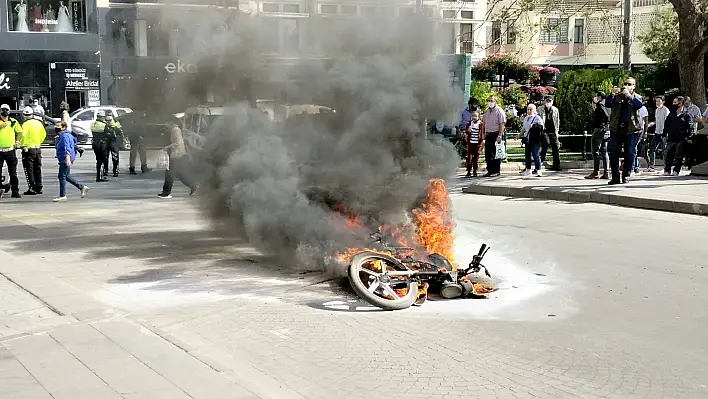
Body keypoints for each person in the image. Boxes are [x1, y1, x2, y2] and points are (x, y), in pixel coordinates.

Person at [605, 77, 644, 185]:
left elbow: (639, 105)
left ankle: (626, 175)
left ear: (634, 86)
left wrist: (629, 96)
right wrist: (612, 94)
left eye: (629, 84)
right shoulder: (617, 96)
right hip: (616, 128)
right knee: (613, 152)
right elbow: (608, 104)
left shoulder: (637, 97)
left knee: (630, 153)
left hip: (631, 129)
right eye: (625, 84)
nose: (626, 86)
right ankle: (615, 177)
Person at [158, 119, 197, 199]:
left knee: (169, 173)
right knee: (180, 174)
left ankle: (166, 193)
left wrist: (167, 147)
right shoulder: (174, 129)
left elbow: (178, 142)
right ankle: (194, 186)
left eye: (166, 122)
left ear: (171, 122)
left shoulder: (175, 130)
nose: (165, 124)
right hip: (178, 154)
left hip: (177, 154)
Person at [53, 121, 88, 202]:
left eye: (59, 127)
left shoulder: (65, 136)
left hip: (65, 158)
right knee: (66, 176)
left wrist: (67, 159)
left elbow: (67, 148)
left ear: (64, 127)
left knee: (61, 176)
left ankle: (62, 195)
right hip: (64, 158)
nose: (57, 128)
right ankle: (81, 187)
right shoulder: (63, 135)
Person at [663, 96, 692, 176]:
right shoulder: (671, 115)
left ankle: (676, 170)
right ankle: (667, 170)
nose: (673, 104)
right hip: (671, 138)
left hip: (681, 139)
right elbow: (666, 125)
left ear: (680, 103)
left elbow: (690, 127)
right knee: (668, 155)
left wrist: (688, 137)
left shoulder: (686, 115)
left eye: (675, 102)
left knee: (679, 156)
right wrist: (664, 135)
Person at [20, 106, 46, 195]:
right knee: (37, 168)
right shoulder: (38, 123)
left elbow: (23, 135)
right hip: (37, 148)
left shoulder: (25, 124)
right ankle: (39, 187)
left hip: (28, 149)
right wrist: (39, 142)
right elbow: (43, 134)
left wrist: (22, 145)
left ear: (24, 115)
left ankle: (32, 187)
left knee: (29, 169)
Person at [0, 104, 23, 198]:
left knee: (13, 172)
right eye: (3, 110)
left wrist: (17, 141)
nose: (5, 111)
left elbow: (20, 132)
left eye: (6, 110)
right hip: (0, 151)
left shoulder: (13, 122)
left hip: (10, 150)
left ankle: (15, 191)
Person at [586, 91, 611, 179]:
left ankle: (596, 171)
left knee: (595, 151)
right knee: (604, 151)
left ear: (599, 97)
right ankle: (606, 172)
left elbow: (605, 116)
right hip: (607, 131)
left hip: (599, 130)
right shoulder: (608, 105)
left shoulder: (601, 105)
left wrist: (604, 124)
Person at [482, 95, 506, 177]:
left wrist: (499, 135)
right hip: (488, 134)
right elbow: (484, 123)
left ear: (495, 101)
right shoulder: (486, 112)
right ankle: (490, 170)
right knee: (488, 154)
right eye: (489, 100)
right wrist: (483, 133)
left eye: (491, 100)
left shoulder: (499, 111)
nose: (490, 102)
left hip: (496, 134)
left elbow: (502, 124)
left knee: (496, 153)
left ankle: (496, 170)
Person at [537, 95, 561, 172]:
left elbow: (557, 121)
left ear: (552, 102)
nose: (548, 102)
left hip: (553, 131)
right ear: (544, 101)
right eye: (547, 101)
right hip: (544, 130)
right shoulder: (540, 109)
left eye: (550, 101)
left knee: (556, 147)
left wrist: (557, 131)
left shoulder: (555, 110)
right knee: (546, 143)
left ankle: (556, 165)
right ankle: (540, 161)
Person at [520, 103, 544, 177]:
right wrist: (520, 135)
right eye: (528, 109)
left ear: (534, 110)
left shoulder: (537, 118)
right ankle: (528, 169)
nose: (529, 111)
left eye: (531, 109)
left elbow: (541, 127)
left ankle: (538, 170)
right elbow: (524, 128)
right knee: (527, 155)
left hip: (535, 139)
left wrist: (534, 126)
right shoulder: (526, 118)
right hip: (528, 139)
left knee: (535, 154)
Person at [648, 96, 669, 172]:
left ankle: (666, 166)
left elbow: (667, 122)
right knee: (652, 149)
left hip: (664, 133)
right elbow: (657, 121)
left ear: (663, 102)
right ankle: (651, 166)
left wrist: (666, 132)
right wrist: (651, 124)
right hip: (657, 132)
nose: (657, 103)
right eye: (656, 101)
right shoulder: (656, 110)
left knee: (664, 150)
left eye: (659, 101)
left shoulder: (666, 110)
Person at [90, 110, 109, 182]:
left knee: (98, 160)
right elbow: (107, 134)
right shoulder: (104, 125)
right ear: (102, 117)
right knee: (103, 160)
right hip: (102, 144)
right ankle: (102, 176)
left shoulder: (93, 124)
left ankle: (98, 176)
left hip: (95, 144)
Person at [104, 110, 124, 177]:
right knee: (105, 157)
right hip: (106, 142)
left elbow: (121, 134)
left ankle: (115, 171)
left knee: (115, 157)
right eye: (107, 115)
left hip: (114, 142)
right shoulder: (103, 123)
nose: (108, 117)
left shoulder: (116, 123)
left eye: (110, 115)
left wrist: (120, 142)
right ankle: (105, 170)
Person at [464, 111, 483, 178]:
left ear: (478, 117)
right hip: (471, 143)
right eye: (473, 116)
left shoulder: (481, 124)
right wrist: (468, 131)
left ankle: (475, 170)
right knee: (470, 158)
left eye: (476, 116)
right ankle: (469, 171)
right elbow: (466, 132)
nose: (474, 117)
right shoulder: (469, 123)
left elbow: (482, 133)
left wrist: (482, 141)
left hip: (477, 144)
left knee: (476, 158)